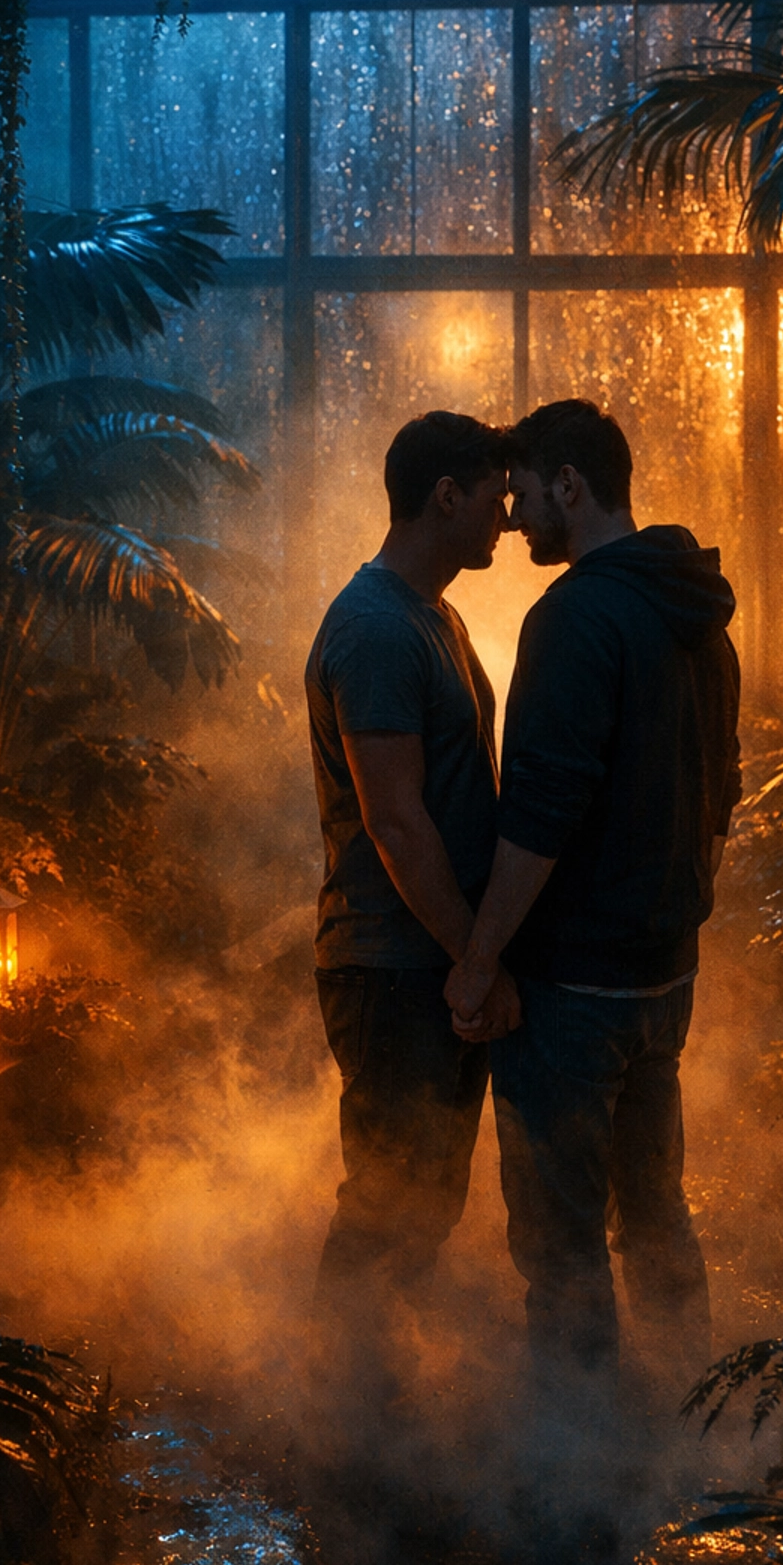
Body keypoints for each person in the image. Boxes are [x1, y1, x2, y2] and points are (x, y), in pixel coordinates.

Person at [446, 399, 741, 1407]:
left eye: (525, 494)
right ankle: (690, 1417)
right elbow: (721, 796)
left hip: (573, 983)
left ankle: (576, 1466)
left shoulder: (575, 616)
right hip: (663, 973)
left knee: (561, 1236)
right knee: (654, 1206)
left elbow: (540, 813)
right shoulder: (696, 612)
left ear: (571, 483)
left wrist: (480, 959)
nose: (517, 518)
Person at [305, 409, 520, 1358]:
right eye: (493, 496)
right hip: (395, 960)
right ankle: (341, 1410)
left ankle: (375, 1406)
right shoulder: (379, 631)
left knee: (420, 1200)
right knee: (391, 1203)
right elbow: (395, 822)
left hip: (417, 954)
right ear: (445, 496)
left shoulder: (430, 615)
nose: (507, 518)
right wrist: (473, 956)